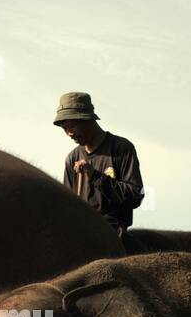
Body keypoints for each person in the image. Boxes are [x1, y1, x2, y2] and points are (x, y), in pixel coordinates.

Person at [54, 92, 144, 238]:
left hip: (114, 235)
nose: (69, 133)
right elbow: (68, 207)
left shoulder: (121, 148)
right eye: (65, 129)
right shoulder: (72, 159)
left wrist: (95, 176)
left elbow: (135, 196)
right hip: (82, 235)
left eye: (72, 126)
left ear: (87, 120)